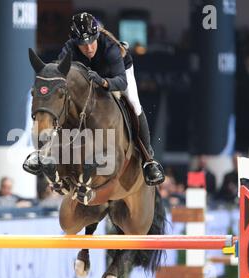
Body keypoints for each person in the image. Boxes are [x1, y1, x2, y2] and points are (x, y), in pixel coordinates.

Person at [23, 12, 165, 186]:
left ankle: (148, 160)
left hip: (116, 75)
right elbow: (59, 73)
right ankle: (41, 153)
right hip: (88, 78)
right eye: (83, 44)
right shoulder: (69, 48)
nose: (88, 48)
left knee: (135, 104)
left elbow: (121, 82)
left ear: (97, 36)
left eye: (91, 41)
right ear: (75, 41)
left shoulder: (111, 48)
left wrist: (103, 82)